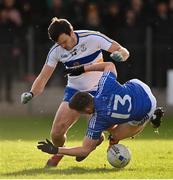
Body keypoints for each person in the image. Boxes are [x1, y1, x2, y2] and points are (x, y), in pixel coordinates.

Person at [20, 17, 130, 167]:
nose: (64, 46)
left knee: (112, 127)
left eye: (65, 41)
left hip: (100, 90)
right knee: (56, 133)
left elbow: (123, 50)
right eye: (60, 44)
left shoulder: (92, 37)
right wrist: (31, 93)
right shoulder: (56, 51)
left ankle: (107, 140)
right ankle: (60, 152)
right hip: (75, 92)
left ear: (71, 31)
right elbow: (43, 76)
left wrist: (120, 55)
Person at [37, 62, 164, 160]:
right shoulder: (104, 86)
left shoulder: (97, 120)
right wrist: (82, 69)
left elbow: (84, 150)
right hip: (140, 87)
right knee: (115, 116)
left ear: (86, 109)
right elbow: (110, 64)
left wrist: (56, 149)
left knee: (115, 135)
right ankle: (149, 117)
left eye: (81, 112)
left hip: (146, 108)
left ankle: (152, 117)